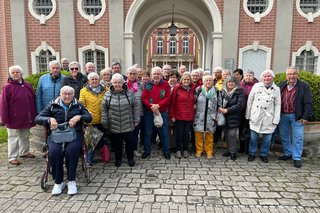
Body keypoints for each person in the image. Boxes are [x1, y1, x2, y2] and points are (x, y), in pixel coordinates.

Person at [35, 86, 92, 195]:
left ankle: (71, 181)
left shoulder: (78, 104)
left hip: (74, 134)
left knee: (72, 151)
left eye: (69, 94)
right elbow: (38, 118)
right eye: (64, 94)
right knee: (54, 152)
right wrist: (50, 119)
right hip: (56, 134)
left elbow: (89, 117)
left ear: (73, 95)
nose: (67, 96)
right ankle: (59, 182)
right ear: (60, 94)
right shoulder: (53, 105)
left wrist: (79, 117)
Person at [0, 65, 37, 166]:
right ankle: (12, 157)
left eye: (17, 72)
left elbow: (33, 100)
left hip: (26, 117)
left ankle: (24, 152)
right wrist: (4, 118)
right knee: (13, 137)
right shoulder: (7, 87)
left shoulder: (28, 85)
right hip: (13, 118)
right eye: (13, 73)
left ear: (21, 73)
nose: (15, 74)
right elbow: (3, 104)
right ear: (11, 75)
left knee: (25, 136)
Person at [278, 66, 313, 168]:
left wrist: (306, 116)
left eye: (294, 74)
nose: (291, 76)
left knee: (298, 137)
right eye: (289, 74)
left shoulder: (304, 87)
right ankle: (288, 153)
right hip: (283, 115)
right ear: (286, 76)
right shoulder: (281, 85)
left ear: (297, 75)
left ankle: (297, 158)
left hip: (297, 116)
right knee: (284, 136)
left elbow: (308, 103)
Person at [101, 73, 139, 167]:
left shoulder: (129, 93)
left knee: (129, 144)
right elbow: (104, 108)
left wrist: (136, 119)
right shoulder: (107, 94)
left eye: (119, 82)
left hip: (128, 123)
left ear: (123, 83)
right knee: (117, 145)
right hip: (114, 124)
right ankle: (118, 159)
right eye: (115, 82)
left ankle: (130, 158)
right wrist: (105, 121)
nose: (117, 84)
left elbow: (135, 106)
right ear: (112, 83)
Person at [246, 70, 281, 163]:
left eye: (269, 76)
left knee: (267, 138)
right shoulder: (256, 86)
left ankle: (264, 154)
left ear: (273, 77)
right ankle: (252, 153)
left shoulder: (276, 89)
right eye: (265, 76)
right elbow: (250, 101)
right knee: (253, 137)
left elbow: (278, 104)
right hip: (256, 115)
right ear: (262, 78)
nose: (266, 78)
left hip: (268, 117)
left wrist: (276, 119)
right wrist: (248, 114)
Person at [141, 66, 171, 160]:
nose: (156, 75)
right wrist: (152, 107)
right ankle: (147, 151)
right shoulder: (148, 85)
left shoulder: (166, 84)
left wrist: (158, 105)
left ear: (161, 75)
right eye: (154, 74)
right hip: (149, 112)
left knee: (164, 133)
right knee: (148, 133)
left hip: (162, 111)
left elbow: (167, 97)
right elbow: (144, 98)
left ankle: (166, 152)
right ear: (151, 75)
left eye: (158, 74)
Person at [79, 72, 107, 165]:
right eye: (92, 79)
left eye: (96, 79)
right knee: (90, 141)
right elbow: (81, 104)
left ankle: (103, 157)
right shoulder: (83, 91)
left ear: (99, 80)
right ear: (88, 81)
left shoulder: (104, 90)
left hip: (102, 119)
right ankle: (89, 160)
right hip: (90, 120)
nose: (94, 81)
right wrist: (87, 112)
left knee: (101, 140)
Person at [194, 75, 221, 159]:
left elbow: (219, 103)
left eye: (210, 80)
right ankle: (199, 149)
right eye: (206, 80)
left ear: (213, 82)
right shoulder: (198, 90)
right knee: (198, 133)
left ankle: (209, 150)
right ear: (203, 81)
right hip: (199, 116)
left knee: (209, 134)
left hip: (211, 116)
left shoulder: (216, 91)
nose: (208, 82)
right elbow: (193, 101)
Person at [218, 76, 245, 161]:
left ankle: (233, 152)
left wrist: (227, 110)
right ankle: (229, 150)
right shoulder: (223, 92)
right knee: (226, 135)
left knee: (232, 135)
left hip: (234, 117)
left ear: (236, 83)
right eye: (229, 82)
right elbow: (218, 101)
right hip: (224, 117)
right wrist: (219, 108)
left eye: (233, 82)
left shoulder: (239, 92)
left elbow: (240, 105)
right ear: (226, 83)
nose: (231, 83)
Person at [170, 72, 195, 158]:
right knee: (179, 134)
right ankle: (178, 149)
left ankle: (185, 149)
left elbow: (195, 101)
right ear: (181, 80)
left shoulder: (192, 89)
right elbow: (172, 103)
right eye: (184, 79)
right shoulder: (177, 89)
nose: (186, 81)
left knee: (186, 134)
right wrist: (172, 115)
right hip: (179, 115)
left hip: (189, 115)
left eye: (188, 79)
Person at [239, 70, 258, 153]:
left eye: (250, 75)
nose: (248, 77)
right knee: (241, 130)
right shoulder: (240, 85)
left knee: (250, 131)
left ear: (253, 77)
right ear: (244, 76)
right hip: (241, 112)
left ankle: (249, 149)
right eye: (247, 75)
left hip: (252, 112)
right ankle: (242, 147)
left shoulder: (257, 86)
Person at [126, 66, 144, 157]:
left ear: (137, 75)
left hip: (138, 112)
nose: (132, 75)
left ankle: (134, 149)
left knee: (136, 132)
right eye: (130, 74)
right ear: (127, 75)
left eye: (134, 74)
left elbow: (144, 98)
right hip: (126, 113)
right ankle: (127, 150)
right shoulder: (123, 85)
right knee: (127, 133)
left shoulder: (141, 85)